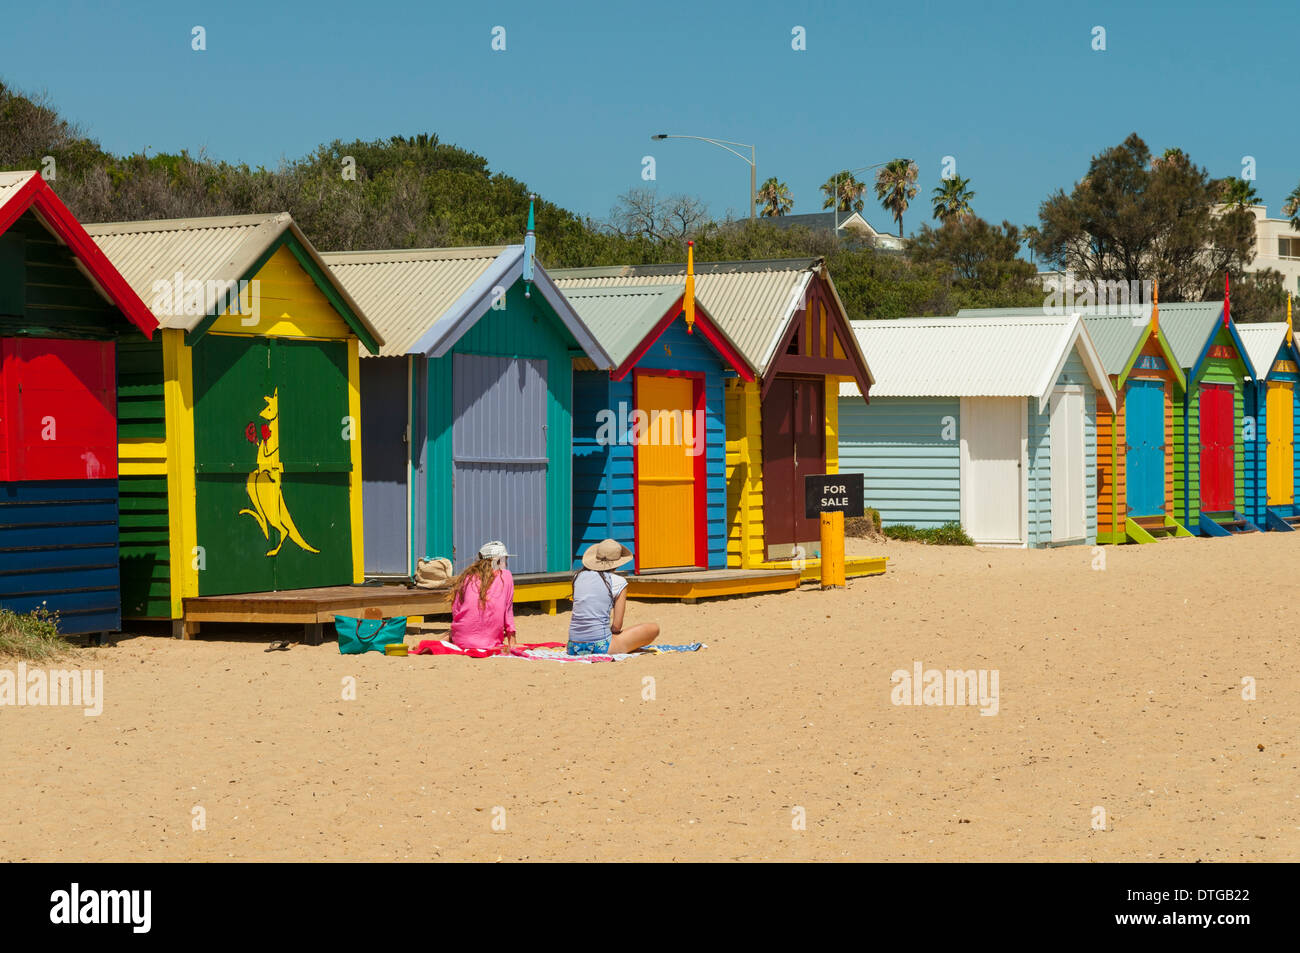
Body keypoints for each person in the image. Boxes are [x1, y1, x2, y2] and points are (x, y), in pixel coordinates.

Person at [568, 539, 660, 656]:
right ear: (617, 563)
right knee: (653, 628)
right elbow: (617, 626)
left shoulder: (578, 577)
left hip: (573, 646)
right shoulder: (618, 581)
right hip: (602, 646)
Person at [447, 541, 516, 653]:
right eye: (505, 560)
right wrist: (512, 642)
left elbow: (456, 609)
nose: (506, 564)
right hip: (490, 642)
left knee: (456, 630)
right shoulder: (506, 576)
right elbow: (508, 613)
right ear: (498, 560)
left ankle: (450, 637)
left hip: (461, 640)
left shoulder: (467, 577)